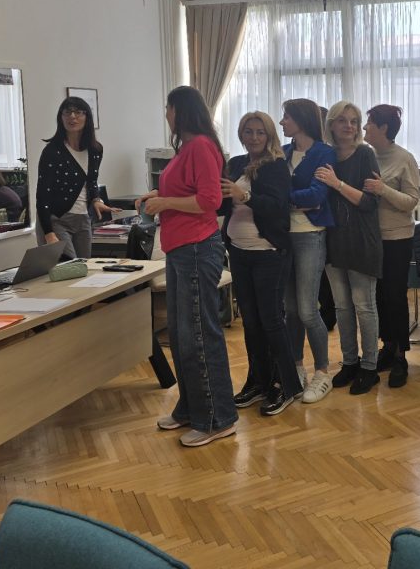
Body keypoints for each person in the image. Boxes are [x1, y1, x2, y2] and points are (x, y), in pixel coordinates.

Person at [138, 86, 237, 447]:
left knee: (198, 335)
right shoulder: (188, 148)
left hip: (197, 248)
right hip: (181, 249)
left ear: (181, 111)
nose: (166, 114)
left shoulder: (200, 146)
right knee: (181, 336)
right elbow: (187, 192)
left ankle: (216, 418)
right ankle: (192, 407)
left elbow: (209, 200)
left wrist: (165, 202)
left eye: (169, 108)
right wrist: (158, 197)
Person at [219, 111, 303, 417]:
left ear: (269, 136)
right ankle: (259, 381)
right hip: (239, 252)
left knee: (271, 321)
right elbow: (222, 204)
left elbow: (276, 206)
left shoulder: (276, 165)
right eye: (248, 131)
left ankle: (287, 385)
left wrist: (244, 195)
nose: (254, 137)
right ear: (241, 134)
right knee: (251, 323)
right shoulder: (236, 164)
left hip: (268, 253)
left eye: (260, 132)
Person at [314, 101, 382, 395]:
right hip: (332, 241)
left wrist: (336, 183)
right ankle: (350, 362)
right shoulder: (325, 155)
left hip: (361, 240)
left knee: (364, 306)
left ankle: (369, 366)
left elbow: (369, 202)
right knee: (342, 307)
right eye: (343, 120)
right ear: (331, 124)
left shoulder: (366, 154)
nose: (350, 126)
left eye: (354, 121)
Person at [280, 98, 337, 404]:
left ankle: (322, 372)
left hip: (310, 236)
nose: (282, 122)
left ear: (301, 119)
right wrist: (295, 199)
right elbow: (276, 191)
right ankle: (297, 367)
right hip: (284, 238)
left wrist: (284, 198)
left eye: (286, 117)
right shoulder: (282, 152)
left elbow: (317, 196)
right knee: (290, 310)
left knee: (307, 309)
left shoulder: (324, 153)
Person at [363, 104, 420, 388]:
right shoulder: (366, 156)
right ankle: (386, 346)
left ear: (384, 128)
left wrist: (382, 189)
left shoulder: (404, 158)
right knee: (377, 298)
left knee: (395, 297)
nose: (364, 128)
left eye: (369, 123)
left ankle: (400, 356)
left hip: (397, 238)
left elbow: (411, 202)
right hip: (371, 239)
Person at [35, 96, 117, 260]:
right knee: (69, 268)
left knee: (84, 268)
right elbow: (42, 195)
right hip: (56, 219)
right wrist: (48, 232)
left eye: (78, 112)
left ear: (87, 117)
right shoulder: (52, 151)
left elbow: (91, 181)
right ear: (61, 117)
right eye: (67, 112)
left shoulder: (95, 150)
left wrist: (96, 200)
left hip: (83, 218)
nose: (72, 117)